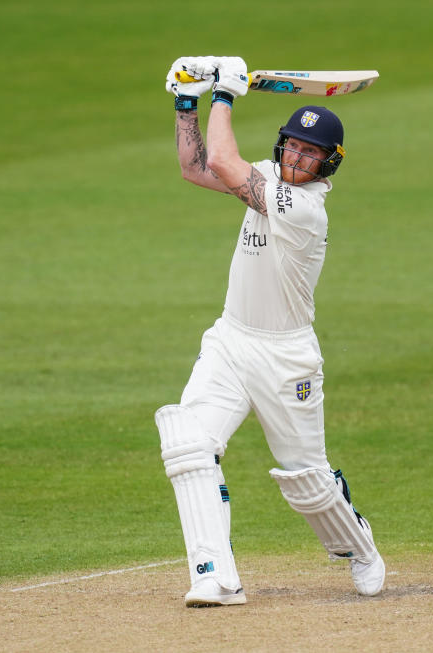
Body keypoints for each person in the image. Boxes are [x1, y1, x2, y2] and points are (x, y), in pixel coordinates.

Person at [155, 56, 385, 607]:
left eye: (312, 153)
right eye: (293, 146)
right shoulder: (266, 175)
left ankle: (359, 547)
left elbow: (229, 164)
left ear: (329, 164)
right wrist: (187, 99)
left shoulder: (305, 209)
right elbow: (196, 167)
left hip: (286, 358)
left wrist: (226, 95)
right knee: (190, 444)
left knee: (307, 480)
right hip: (231, 342)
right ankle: (215, 574)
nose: (299, 157)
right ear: (282, 145)